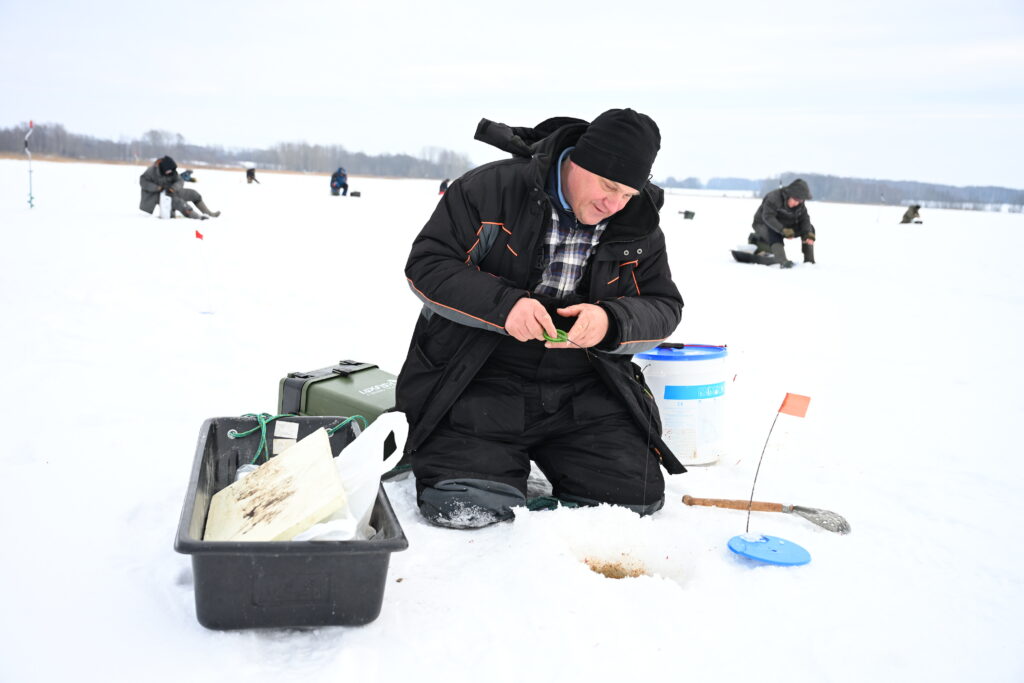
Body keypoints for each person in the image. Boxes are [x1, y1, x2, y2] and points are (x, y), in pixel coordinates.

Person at [396, 108, 686, 529]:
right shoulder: (489, 189)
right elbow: (429, 265)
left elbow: (663, 305)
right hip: (478, 374)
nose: (614, 204)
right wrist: (505, 306)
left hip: (584, 385)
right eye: (607, 186)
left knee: (630, 503)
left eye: (627, 193)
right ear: (576, 161)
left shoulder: (638, 224)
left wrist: (610, 322)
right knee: (466, 502)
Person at [747, 178, 815, 268]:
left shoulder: (799, 203)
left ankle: (809, 261)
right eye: (795, 199)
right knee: (774, 231)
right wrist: (782, 230)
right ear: (789, 195)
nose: (797, 203)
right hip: (763, 224)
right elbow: (768, 217)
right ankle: (781, 261)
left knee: (810, 229)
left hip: (785, 225)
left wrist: (808, 234)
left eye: (800, 200)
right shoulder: (773, 198)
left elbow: (804, 218)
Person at [139, 156, 220, 219]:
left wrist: (174, 188)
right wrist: (157, 188)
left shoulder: (172, 170)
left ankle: (209, 213)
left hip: (172, 191)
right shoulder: (151, 171)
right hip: (157, 195)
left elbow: (180, 181)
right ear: (163, 168)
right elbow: (143, 182)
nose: (171, 172)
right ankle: (197, 217)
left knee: (194, 194)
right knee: (179, 203)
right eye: (169, 170)